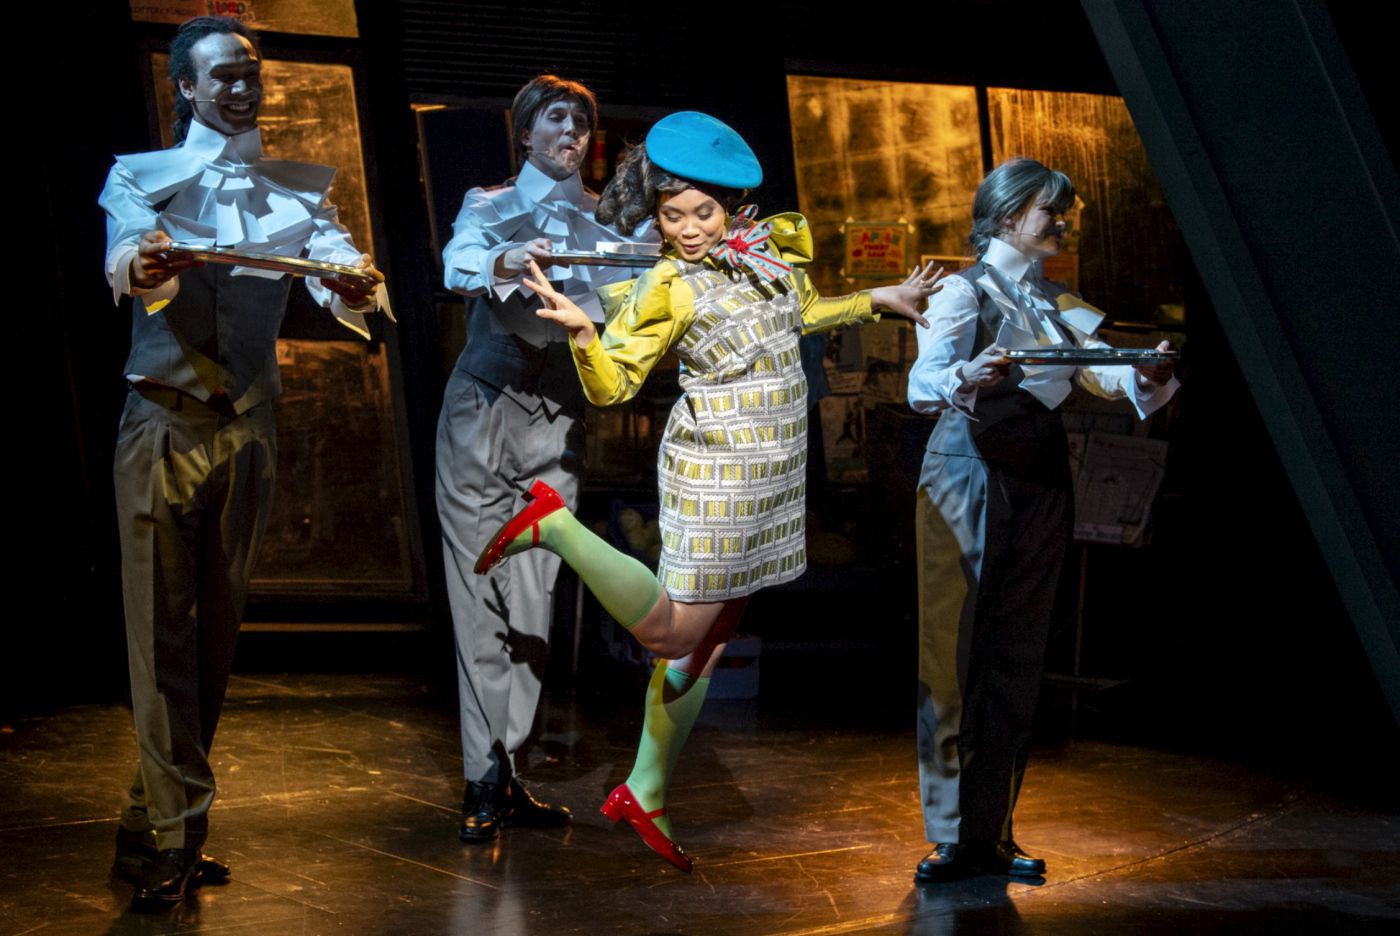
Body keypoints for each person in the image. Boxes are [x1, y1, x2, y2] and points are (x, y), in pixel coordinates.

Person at [475, 111, 943, 872]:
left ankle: (646, 789)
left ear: (731, 209)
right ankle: (554, 525)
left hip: (774, 469)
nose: (688, 230)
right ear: (656, 217)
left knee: (711, 642)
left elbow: (800, 315)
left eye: (702, 213)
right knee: (671, 636)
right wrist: (586, 336)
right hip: (717, 467)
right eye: (672, 217)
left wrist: (875, 298)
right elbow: (614, 386)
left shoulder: (766, 255)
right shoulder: (668, 284)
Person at [100, 16, 388, 911]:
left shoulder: (291, 191)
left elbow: (338, 261)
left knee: (214, 639)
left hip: (249, 427)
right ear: (186, 87)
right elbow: (125, 255)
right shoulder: (140, 178)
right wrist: (146, 260)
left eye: (250, 73)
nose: (240, 87)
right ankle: (177, 836)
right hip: (163, 422)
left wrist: (353, 281)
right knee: (159, 636)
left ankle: (150, 820)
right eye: (222, 75)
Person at [906, 157, 1178, 882]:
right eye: (1050, 211)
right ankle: (950, 834)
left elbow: (1101, 368)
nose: (1061, 222)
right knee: (952, 655)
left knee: (1018, 653)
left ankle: (992, 831)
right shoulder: (963, 291)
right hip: (969, 462)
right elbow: (922, 382)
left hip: (1040, 468)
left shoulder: (1057, 300)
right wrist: (968, 375)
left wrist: (1145, 371)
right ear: (1007, 215)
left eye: (1063, 211)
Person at [436, 75, 656, 845]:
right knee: (478, 595)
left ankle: (506, 765)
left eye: (582, 122)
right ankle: (481, 776)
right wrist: (507, 258)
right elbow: (458, 264)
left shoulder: (609, 223)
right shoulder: (489, 204)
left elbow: (640, 303)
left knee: (533, 599)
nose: (571, 131)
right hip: (482, 414)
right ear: (526, 132)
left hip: (557, 424)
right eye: (556, 118)